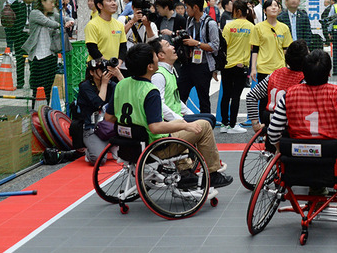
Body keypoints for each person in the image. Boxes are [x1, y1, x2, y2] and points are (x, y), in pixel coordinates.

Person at [103, 44, 232, 188]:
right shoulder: (150, 91)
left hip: (128, 145)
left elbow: (109, 118)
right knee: (205, 125)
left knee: (180, 126)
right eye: (155, 56)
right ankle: (213, 173)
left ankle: (186, 172)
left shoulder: (121, 85)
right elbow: (155, 127)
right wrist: (183, 125)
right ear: (150, 66)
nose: (157, 58)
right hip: (155, 147)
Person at [267, 49, 337, 164]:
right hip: (331, 157)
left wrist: (279, 149)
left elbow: (273, 131)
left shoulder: (289, 94)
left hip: (297, 157)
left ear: (304, 72)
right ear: (329, 73)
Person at [148, 38, 216, 127]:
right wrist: (180, 121)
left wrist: (191, 115)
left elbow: (176, 100)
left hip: (177, 117)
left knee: (210, 118)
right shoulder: (159, 76)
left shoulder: (170, 70)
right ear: (161, 55)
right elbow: (160, 104)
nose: (173, 47)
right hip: (169, 122)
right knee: (207, 122)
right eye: (168, 45)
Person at [245, 39, 309, 132]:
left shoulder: (275, 74)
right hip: (292, 127)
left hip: (270, 123)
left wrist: (255, 124)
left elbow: (251, 96)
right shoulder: (305, 79)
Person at [22, 0, 73, 102]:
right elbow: (48, 23)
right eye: (51, 2)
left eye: (54, 2)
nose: (53, 5)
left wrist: (70, 21)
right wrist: (62, 25)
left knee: (48, 86)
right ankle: (36, 109)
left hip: (51, 55)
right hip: (38, 57)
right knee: (38, 87)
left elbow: (65, 18)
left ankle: (45, 109)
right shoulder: (35, 13)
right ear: (43, 2)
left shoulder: (52, 15)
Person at [178, 0, 221, 114]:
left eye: (187, 7)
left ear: (195, 7)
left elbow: (215, 46)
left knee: (203, 98)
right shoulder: (189, 20)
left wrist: (196, 43)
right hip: (189, 63)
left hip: (203, 65)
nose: (186, 10)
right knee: (180, 95)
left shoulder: (210, 23)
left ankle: (206, 122)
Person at [76, 59, 124, 164]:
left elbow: (127, 90)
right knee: (99, 160)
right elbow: (98, 104)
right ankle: (90, 151)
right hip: (92, 129)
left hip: (110, 128)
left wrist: (119, 75)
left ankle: (110, 145)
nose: (104, 72)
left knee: (128, 154)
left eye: (106, 69)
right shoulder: (85, 86)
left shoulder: (111, 85)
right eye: (101, 70)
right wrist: (104, 84)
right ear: (91, 72)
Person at [220, 0, 255, 133]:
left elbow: (224, 44)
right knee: (236, 95)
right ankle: (233, 125)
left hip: (227, 64)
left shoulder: (229, 26)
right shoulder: (251, 27)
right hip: (241, 65)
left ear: (238, 11)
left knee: (226, 95)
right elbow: (253, 47)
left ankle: (224, 124)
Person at [250, 0, 292, 84]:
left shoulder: (284, 28)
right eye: (270, 6)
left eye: (276, 6)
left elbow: (286, 49)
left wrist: (288, 65)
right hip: (263, 68)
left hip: (280, 68)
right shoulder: (258, 27)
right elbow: (255, 50)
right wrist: (253, 68)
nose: (273, 8)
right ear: (265, 11)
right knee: (264, 93)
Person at [85, 0, 127, 65]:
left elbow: (123, 47)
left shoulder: (119, 25)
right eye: (109, 0)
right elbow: (92, 49)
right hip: (98, 67)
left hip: (115, 67)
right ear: (100, 5)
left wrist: (118, 63)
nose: (114, 3)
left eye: (114, 0)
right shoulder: (92, 24)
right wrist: (106, 64)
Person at [10, 0, 35, 89]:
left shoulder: (36, 7)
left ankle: (33, 82)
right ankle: (20, 82)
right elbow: (12, 7)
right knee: (20, 59)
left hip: (32, 36)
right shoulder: (19, 5)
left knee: (33, 59)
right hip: (20, 35)